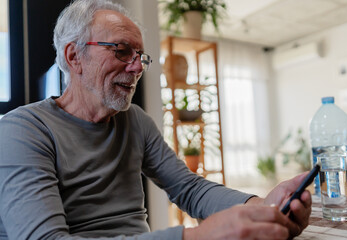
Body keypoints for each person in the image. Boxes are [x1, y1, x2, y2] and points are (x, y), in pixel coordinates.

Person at [0, 0, 311, 239]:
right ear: (74, 56)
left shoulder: (134, 120)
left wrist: (262, 206)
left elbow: (188, 188)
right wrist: (197, 235)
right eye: (122, 51)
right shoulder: (21, 131)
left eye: (140, 57)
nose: (137, 68)